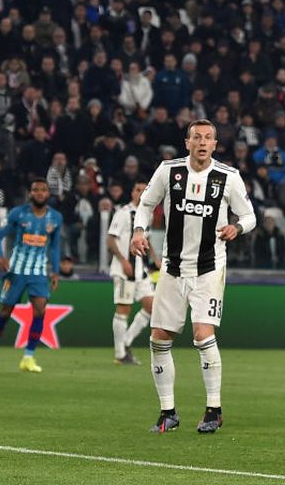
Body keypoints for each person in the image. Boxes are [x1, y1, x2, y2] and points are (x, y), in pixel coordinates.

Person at [130, 120, 257, 434]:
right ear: (186, 142)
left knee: (202, 334)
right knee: (159, 338)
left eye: (208, 137)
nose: (202, 142)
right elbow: (146, 205)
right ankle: (168, 413)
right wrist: (137, 231)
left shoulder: (228, 177)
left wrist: (236, 228)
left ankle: (214, 409)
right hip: (172, 269)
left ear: (215, 144)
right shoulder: (168, 171)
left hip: (209, 268)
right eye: (197, 137)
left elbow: (250, 216)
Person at [0, 178, 63, 374]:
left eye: (43, 190)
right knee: (5, 311)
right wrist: (0, 256)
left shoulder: (55, 218)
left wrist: (56, 270)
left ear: (48, 194)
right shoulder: (19, 214)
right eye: (36, 190)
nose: (40, 193)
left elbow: (55, 245)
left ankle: (28, 357)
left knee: (40, 310)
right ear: (30, 193)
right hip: (16, 271)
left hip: (38, 272)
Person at [107, 179, 160, 366]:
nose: (141, 193)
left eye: (145, 190)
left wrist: (155, 257)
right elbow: (110, 239)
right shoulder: (123, 213)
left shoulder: (147, 215)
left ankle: (126, 343)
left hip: (141, 270)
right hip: (124, 271)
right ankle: (120, 353)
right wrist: (123, 261)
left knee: (153, 307)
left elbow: (146, 239)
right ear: (132, 192)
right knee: (123, 310)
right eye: (138, 189)